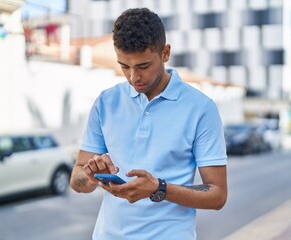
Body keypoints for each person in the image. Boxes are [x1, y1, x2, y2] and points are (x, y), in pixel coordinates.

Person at [70, 7, 228, 240]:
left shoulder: (201, 108)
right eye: (124, 66)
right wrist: (91, 176)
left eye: (143, 66)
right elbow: (77, 179)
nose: (133, 77)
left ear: (165, 53)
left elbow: (217, 196)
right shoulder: (106, 102)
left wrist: (159, 189)